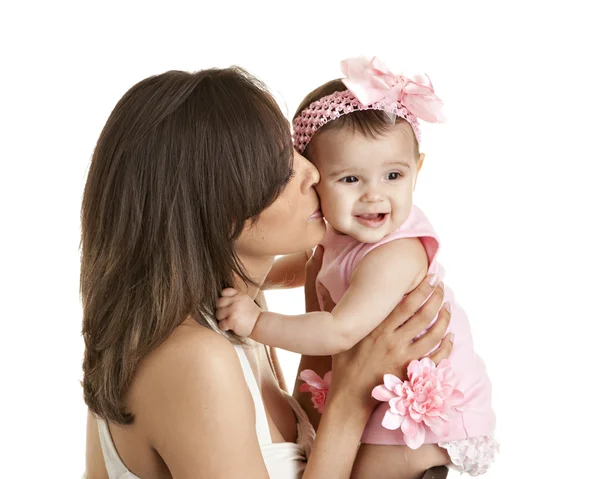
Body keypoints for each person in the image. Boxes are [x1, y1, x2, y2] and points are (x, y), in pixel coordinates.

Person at [82, 66, 454, 479]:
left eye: (292, 151)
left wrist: (329, 328)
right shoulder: (196, 361)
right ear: (215, 209)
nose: (312, 172)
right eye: (279, 169)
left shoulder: (238, 317)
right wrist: (351, 398)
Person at [216, 57, 497, 478]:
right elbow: (313, 265)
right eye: (350, 180)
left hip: (424, 427)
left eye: (393, 175)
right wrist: (259, 279)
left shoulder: (395, 255)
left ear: (417, 171)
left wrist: (257, 320)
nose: (374, 196)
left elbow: (338, 331)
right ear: (315, 181)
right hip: (380, 398)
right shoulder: (344, 233)